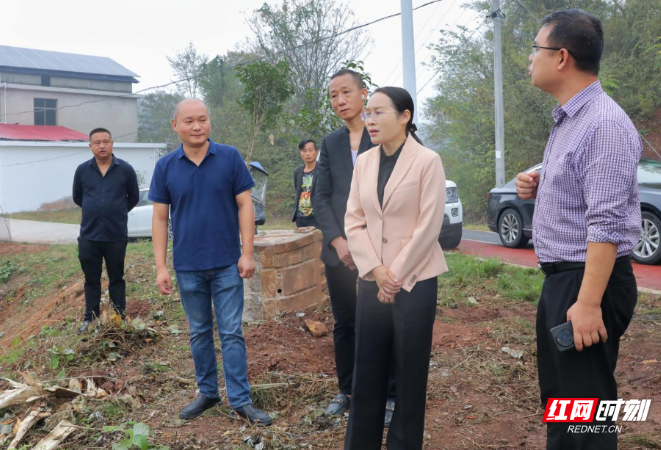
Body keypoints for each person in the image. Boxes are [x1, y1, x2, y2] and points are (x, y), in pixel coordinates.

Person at [516, 9, 641, 450]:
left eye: (536, 48)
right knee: (565, 410)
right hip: (566, 282)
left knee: (584, 422)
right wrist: (538, 185)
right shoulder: (572, 119)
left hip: (588, 285)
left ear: (562, 57)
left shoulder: (603, 124)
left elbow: (605, 225)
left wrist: (587, 305)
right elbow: (584, 195)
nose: (529, 58)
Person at [149, 99, 272, 426]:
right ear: (176, 126)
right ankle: (207, 392)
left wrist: (247, 252)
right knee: (200, 332)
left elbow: (246, 205)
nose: (197, 126)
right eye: (189, 121)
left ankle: (241, 400)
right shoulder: (165, 167)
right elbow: (160, 218)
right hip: (187, 265)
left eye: (202, 119)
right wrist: (161, 266)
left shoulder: (229, 157)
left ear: (209, 123)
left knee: (231, 332)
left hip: (227, 263)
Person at [344, 86, 447, 450]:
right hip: (373, 281)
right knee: (367, 371)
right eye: (367, 113)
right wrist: (375, 270)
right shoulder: (365, 162)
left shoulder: (427, 161)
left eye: (378, 112)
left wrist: (395, 274)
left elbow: (429, 224)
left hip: (415, 283)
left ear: (404, 116)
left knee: (409, 372)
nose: (369, 120)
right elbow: (353, 221)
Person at [313, 69, 396, 423]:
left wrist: (362, 242)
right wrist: (336, 239)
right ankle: (346, 389)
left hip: (379, 248)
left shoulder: (384, 135)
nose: (339, 100)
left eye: (345, 92)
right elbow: (321, 195)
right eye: (333, 95)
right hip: (340, 252)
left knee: (384, 320)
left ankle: (389, 394)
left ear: (364, 94)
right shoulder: (330, 143)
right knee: (345, 322)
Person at [72, 128, 139, 334]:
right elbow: (78, 197)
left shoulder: (125, 169)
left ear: (112, 143)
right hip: (89, 236)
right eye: (97, 142)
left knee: (116, 278)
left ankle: (119, 318)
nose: (102, 146)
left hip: (115, 235)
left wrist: (116, 211)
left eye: (106, 142)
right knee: (91, 279)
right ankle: (90, 320)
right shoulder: (82, 170)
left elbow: (133, 197)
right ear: (90, 146)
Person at [292, 139, 319, 228]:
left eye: (310, 150)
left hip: (317, 217)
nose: (307, 154)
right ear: (301, 153)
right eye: (304, 151)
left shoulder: (323, 170)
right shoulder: (297, 172)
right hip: (300, 217)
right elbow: (298, 190)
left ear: (316, 152)